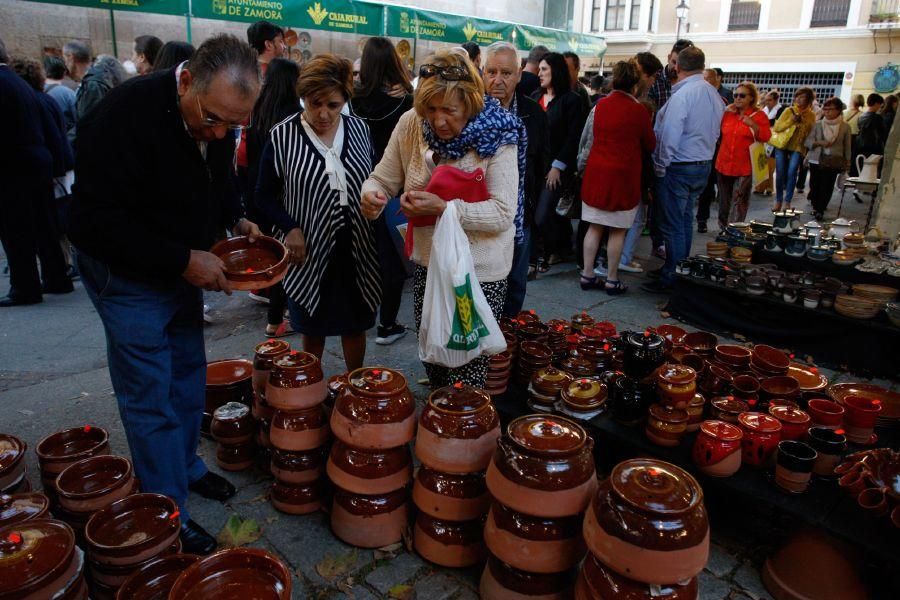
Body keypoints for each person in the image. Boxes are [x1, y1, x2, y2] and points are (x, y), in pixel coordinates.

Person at [68, 34, 263, 555]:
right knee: (150, 393)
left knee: (186, 373)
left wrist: (234, 217)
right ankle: (166, 510)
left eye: (233, 125)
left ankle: (186, 466)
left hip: (182, 267)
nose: (220, 132)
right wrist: (183, 260)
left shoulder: (216, 113)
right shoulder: (120, 118)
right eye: (213, 119)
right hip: (127, 274)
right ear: (187, 81)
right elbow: (92, 223)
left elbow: (216, 177)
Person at [360, 50, 523, 388]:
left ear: (471, 102)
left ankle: (464, 430)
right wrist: (372, 193)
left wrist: (444, 208)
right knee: (433, 356)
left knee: (466, 365)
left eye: (449, 110)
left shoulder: (498, 133)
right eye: (430, 109)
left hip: (476, 273)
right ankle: (441, 420)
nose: (438, 121)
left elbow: (503, 213)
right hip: (428, 263)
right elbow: (383, 177)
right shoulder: (410, 124)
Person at [255, 54, 380, 372]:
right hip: (306, 249)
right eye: (314, 103)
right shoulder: (282, 136)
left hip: (357, 246)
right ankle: (310, 387)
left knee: (356, 322)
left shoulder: (361, 130)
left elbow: (376, 176)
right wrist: (289, 227)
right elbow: (263, 195)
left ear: (345, 101)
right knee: (312, 326)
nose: (323, 114)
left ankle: (356, 383)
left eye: (333, 105)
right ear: (303, 98)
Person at [642, 46, 724, 294]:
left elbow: (670, 136)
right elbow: (716, 131)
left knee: (674, 225)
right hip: (701, 164)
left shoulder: (684, 95)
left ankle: (673, 277)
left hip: (680, 165)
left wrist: (660, 166)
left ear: (677, 66)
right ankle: (677, 270)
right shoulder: (712, 93)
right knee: (684, 221)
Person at [350, 36, 415, 346]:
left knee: (361, 252)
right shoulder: (406, 101)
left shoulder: (351, 100)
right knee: (392, 258)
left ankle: (358, 315)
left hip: (357, 184)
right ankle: (386, 324)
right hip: (394, 187)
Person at [483, 41, 550, 316]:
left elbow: (541, 162)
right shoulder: (471, 111)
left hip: (520, 216)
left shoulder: (533, 112)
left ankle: (506, 345)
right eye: (491, 72)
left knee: (515, 285)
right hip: (481, 216)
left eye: (506, 73)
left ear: (520, 74)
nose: (497, 80)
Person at [577, 61, 655, 295]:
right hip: (623, 177)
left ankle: (587, 274)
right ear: (635, 85)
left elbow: (587, 138)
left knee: (594, 227)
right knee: (617, 231)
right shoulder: (639, 110)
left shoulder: (600, 106)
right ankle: (611, 279)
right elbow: (650, 144)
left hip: (596, 173)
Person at [0, 40, 61, 306]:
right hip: (35, 161)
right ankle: (56, 276)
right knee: (44, 224)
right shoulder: (16, 81)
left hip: (13, 167)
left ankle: (25, 286)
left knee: (16, 229)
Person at [246, 58, 301, 338]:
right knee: (287, 260)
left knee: (275, 258)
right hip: (283, 197)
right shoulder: (293, 115)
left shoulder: (258, 107)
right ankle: (279, 319)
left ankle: (272, 318)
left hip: (257, 192)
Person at [531, 51, 585, 273]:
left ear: (556, 71)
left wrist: (558, 166)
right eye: (539, 69)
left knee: (543, 215)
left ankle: (555, 249)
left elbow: (574, 138)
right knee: (540, 214)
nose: (539, 73)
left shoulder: (572, 101)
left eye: (544, 69)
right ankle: (551, 250)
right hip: (534, 167)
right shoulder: (535, 97)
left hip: (556, 170)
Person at [714, 81, 770, 232]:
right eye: (735, 95)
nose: (737, 98)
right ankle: (723, 228)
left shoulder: (759, 116)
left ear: (751, 98)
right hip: (724, 163)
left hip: (745, 166)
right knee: (723, 201)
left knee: (739, 200)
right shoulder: (728, 113)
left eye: (742, 95)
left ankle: (735, 230)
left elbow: (766, 136)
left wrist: (753, 125)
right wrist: (724, 110)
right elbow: (717, 132)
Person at [805, 97, 851, 221]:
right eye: (825, 109)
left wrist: (848, 161)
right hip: (816, 158)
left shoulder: (845, 127)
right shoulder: (818, 124)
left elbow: (847, 146)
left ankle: (820, 209)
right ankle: (815, 206)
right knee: (814, 184)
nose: (827, 112)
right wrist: (819, 142)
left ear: (838, 110)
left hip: (833, 160)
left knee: (827, 185)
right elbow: (808, 142)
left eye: (831, 109)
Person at [771, 87, 816, 212]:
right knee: (780, 173)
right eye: (797, 96)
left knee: (792, 172)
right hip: (782, 145)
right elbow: (777, 127)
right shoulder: (788, 111)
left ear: (809, 100)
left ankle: (787, 201)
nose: (799, 100)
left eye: (802, 97)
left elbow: (810, 133)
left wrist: (802, 124)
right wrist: (791, 121)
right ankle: (778, 200)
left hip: (798, 147)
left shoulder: (811, 115)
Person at [755, 90, 785, 195]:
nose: (768, 102)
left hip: (774, 140)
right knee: (761, 164)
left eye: (770, 100)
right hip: (763, 138)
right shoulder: (764, 110)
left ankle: (769, 187)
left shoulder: (781, 109)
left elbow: (778, 124)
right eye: (766, 100)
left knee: (771, 166)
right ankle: (759, 187)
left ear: (776, 99)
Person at [648, 39, 693, 110]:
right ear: (669, 58)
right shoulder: (654, 79)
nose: (676, 68)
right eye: (674, 62)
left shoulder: (691, 84)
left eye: (681, 65)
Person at [854, 93, 887, 181]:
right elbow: (883, 133)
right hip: (874, 147)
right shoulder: (878, 118)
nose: (881, 107)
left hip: (861, 146)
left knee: (863, 168)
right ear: (876, 104)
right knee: (874, 170)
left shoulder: (861, 117)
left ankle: (862, 186)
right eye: (880, 105)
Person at [43, 55, 77, 133]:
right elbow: (78, 119)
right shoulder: (69, 93)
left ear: (44, 71)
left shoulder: (33, 90)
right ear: (64, 72)